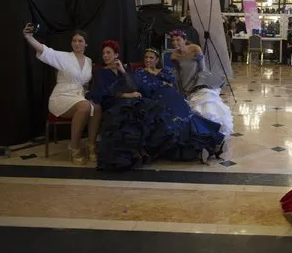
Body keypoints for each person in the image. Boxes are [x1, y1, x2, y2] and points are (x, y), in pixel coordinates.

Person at [91, 43, 225, 170]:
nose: (148, 60)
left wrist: (162, 79)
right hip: (156, 99)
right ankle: (201, 145)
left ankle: (208, 141)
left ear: (157, 60)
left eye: (151, 58)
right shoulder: (140, 73)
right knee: (174, 121)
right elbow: (136, 87)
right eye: (146, 57)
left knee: (186, 116)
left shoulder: (165, 70)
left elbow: (173, 83)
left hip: (171, 95)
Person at [22, 23, 101, 165]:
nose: (76, 43)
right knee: (84, 107)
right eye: (74, 41)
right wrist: (28, 37)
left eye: (80, 41)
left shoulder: (89, 61)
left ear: (86, 44)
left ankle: (91, 145)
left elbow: (86, 83)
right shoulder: (63, 57)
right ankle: (74, 147)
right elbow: (44, 50)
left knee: (97, 107)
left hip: (80, 95)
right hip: (62, 96)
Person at [169, 30, 234, 136]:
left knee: (206, 108)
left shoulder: (195, 49)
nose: (175, 42)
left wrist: (198, 86)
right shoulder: (174, 56)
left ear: (185, 40)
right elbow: (178, 75)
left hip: (201, 84)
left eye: (178, 40)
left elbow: (203, 69)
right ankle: (202, 134)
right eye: (173, 40)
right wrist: (181, 91)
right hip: (186, 87)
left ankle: (215, 133)